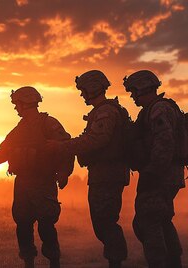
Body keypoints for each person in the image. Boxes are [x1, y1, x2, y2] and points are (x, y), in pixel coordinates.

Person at [0, 86, 74, 268]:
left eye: (17, 104)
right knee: (23, 226)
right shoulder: (19, 130)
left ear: (24, 103)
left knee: (46, 225)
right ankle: (28, 262)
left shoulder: (48, 123)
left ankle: (54, 262)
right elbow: (3, 153)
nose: (16, 108)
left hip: (43, 182)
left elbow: (66, 147)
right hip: (23, 183)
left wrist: (64, 172)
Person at [54, 71, 131, 267]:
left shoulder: (105, 112)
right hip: (102, 174)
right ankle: (115, 260)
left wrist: (63, 146)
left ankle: (116, 261)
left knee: (105, 222)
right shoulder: (101, 111)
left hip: (107, 174)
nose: (82, 95)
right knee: (101, 223)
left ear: (93, 88)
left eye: (83, 90)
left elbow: (97, 139)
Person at [124, 70, 185, 268]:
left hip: (160, 174)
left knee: (148, 221)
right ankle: (174, 261)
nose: (132, 96)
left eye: (134, 91)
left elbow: (164, 142)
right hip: (163, 173)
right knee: (160, 219)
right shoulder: (153, 109)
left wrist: (153, 172)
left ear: (143, 88)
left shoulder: (158, 109)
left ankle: (161, 263)